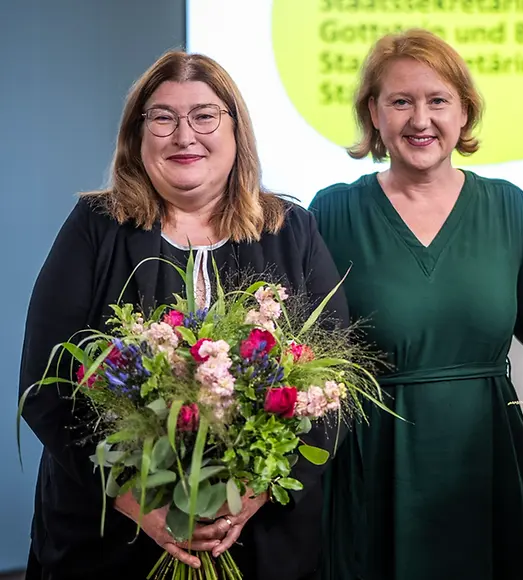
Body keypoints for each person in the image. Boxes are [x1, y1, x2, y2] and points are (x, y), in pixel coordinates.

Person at [19, 51, 347, 580]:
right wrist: (140, 506)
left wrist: (248, 500)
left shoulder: (292, 230)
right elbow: (45, 384)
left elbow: (331, 387)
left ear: (236, 130)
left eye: (204, 115)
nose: (183, 135)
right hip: (110, 538)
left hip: (255, 540)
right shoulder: (94, 227)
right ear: (138, 135)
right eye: (163, 118)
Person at [310, 28, 523, 580]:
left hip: (486, 459)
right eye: (401, 101)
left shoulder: (507, 207)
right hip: (373, 465)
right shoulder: (331, 214)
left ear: (464, 112)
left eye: (438, 100)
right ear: (374, 113)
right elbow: (301, 357)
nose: (421, 120)